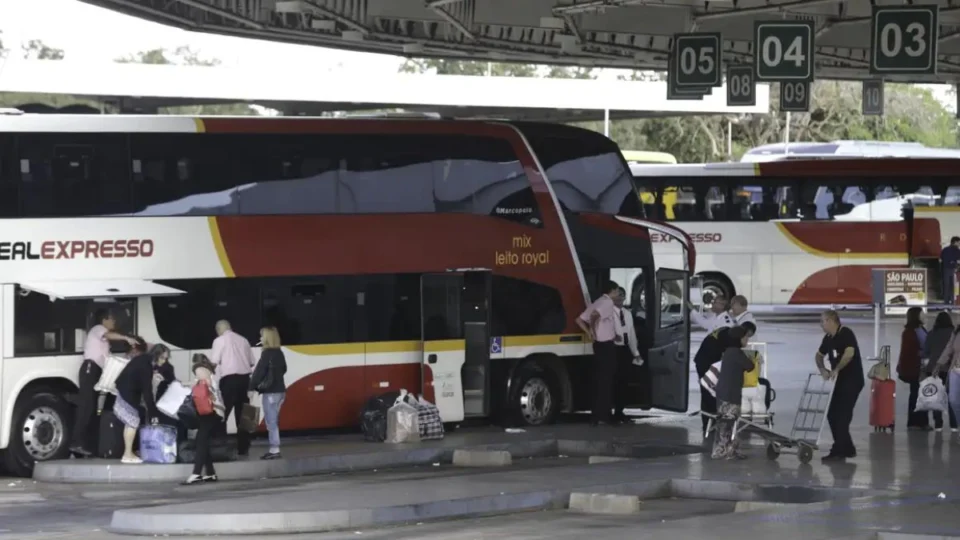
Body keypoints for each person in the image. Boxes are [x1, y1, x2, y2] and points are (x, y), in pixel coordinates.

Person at [70, 308, 139, 457]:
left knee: (95, 409)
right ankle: (76, 442)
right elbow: (108, 334)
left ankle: (86, 445)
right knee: (86, 407)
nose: (114, 322)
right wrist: (126, 338)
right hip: (90, 369)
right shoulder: (98, 329)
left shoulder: (105, 341)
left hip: (97, 372)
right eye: (112, 319)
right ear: (105, 320)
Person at [815, 310, 865, 462]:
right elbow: (818, 355)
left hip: (852, 380)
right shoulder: (828, 338)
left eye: (822, 321)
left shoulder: (845, 333)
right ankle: (847, 448)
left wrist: (837, 369)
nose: (821, 324)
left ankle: (839, 449)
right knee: (832, 415)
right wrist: (823, 369)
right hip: (839, 381)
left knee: (842, 416)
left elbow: (849, 353)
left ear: (830, 321)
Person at [694, 321, 757, 435]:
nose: (747, 340)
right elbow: (746, 364)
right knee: (710, 394)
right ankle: (712, 423)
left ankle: (709, 424)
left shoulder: (727, 332)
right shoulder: (732, 345)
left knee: (707, 392)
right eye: (747, 336)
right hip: (706, 362)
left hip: (703, 360)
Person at [113, 340, 169, 464]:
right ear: (156, 355)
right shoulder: (146, 366)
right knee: (133, 422)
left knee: (130, 422)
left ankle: (129, 452)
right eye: (163, 358)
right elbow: (147, 392)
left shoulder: (144, 360)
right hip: (128, 392)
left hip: (124, 389)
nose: (164, 361)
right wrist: (154, 412)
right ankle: (127, 454)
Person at [576, 281, 622, 426]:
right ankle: (604, 416)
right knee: (606, 382)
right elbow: (595, 316)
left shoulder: (598, 301)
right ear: (612, 291)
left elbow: (579, 320)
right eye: (617, 291)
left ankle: (596, 415)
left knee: (598, 381)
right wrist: (593, 331)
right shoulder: (607, 303)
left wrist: (590, 332)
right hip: (606, 346)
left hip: (599, 346)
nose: (617, 294)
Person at [210, 320, 256, 456]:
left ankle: (221, 447)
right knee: (243, 417)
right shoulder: (243, 340)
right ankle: (243, 448)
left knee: (222, 414)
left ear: (218, 330)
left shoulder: (219, 340)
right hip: (245, 380)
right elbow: (252, 362)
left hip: (229, 381)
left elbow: (213, 362)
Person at [711, 326, 754, 460]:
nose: (747, 339)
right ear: (738, 339)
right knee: (727, 423)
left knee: (727, 423)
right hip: (730, 394)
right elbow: (750, 366)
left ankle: (728, 450)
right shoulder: (736, 353)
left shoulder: (729, 351)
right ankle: (721, 451)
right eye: (745, 337)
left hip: (725, 392)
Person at [183, 354, 226, 485]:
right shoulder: (210, 372)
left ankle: (196, 473)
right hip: (212, 412)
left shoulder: (200, 369)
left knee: (201, 440)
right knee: (202, 441)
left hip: (210, 411)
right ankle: (211, 473)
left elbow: (203, 384)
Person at [250, 326, 288, 459]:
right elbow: (284, 369)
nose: (260, 338)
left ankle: (274, 449)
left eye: (262, 336)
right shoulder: (279, 352)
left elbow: (259, 372)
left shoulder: (267, 353)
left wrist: (251, 387)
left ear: (267, 337)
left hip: (271, 393)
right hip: (281, 391)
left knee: (271, 422)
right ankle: (274, 448)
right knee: (274, 421)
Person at [612, 287, 643, 423]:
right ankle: (609, 412)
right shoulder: (609, 313)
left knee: (623, 382)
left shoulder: (628, 314)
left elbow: (631, 335)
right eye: (617, 296)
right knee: (612, 382)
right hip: (613, 350)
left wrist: (635, 353)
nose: (620, 299)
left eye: (622, 296)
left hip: (625, 350)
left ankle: (620, 412)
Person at [924, 311, 958, 433]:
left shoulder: (931, 334)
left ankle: (938, 424)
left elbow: (925, 351)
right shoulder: (953, 334)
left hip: (933, 369)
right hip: (949, 369)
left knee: (936, 397)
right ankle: (954, 424)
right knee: (952, 397)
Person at [898, 307, 930, 430]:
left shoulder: (921, 329)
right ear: (916, 316)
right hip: (915, 368)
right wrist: (923, 353)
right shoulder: (909, 332)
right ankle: (914, 422)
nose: (924, 316)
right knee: (916, 394)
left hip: (922, 367)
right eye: (922, 314)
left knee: (922, 394)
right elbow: (908, 351)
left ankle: (922, 422)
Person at [941, 236, 960, 305]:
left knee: (947, 286)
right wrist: (955, 263)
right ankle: (952, 303)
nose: (959, 244)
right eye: (958, 242)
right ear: (955, 242)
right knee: (952, 287)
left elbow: (941, 259)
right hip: (952, 270)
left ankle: (946, 303)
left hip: (946, 270)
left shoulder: (945, 250)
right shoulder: (957, 251)